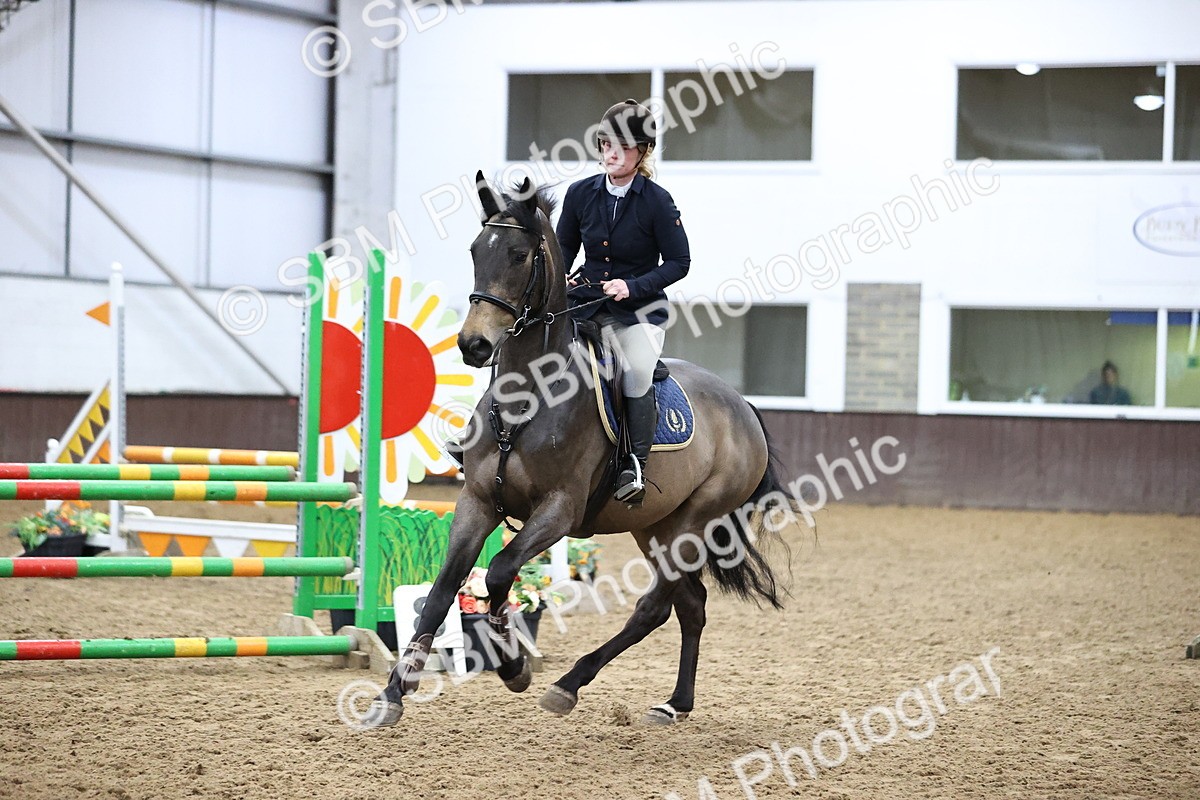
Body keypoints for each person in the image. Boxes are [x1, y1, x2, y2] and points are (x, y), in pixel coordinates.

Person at [556, 99, 691, 504]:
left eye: (623, 146)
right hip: (585, 302)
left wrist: (632, 286)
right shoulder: (580, 193)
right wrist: (560, 274)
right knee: (531, 343)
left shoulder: (657, 201)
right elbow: (564, 248)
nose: (611, 153)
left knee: (636, 371)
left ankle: (634, 463)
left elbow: (680, 262)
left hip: (639, 312)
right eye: (605, 144)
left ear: (643, 152)